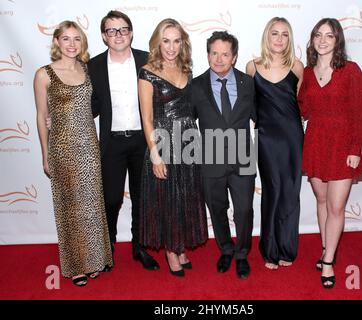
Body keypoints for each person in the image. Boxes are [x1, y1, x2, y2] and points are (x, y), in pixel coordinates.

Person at [34, 20, 113, 287]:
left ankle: (94, 260)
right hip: (62, 148)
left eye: (77, 39)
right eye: (66, 39)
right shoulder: (44, 74)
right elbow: (41, 116)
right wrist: (45, 154)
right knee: (69, 206)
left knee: (91, 205)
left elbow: (97, 105)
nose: (71, 44)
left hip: (90, 145)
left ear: (83, 43)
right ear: (56, 41)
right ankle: (76, 265)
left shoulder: (88, 70)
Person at [88, 10, 159, 270]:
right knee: (111, 199)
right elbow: (91, 105)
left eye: (123, 29)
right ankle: (108, 249)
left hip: (143, 141)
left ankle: (139, 248)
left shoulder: (147, 60)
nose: (118, 35)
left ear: (131, 32)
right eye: (111, 30)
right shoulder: (93, 65)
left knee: (143, 199)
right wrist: (60, 115)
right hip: (112, 143)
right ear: (104, 36)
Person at [298, 18, 362, 289]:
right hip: (315, 142)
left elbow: (359, 114)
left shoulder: (350, 70)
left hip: (342, 146)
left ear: (338, 40)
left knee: (336, 206)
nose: (323, 40)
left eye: (329, 35)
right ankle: (328, 247)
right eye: (318, 35)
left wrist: (355, 149)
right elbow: (302, 109)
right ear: (312, 40)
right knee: (322, 199)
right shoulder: (306, 72)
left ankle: (327, 262)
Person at [138, 18, 208, 277]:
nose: (171, 47)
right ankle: (170, 250)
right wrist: (155, 156)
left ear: (183, 43)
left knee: (185, 196)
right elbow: (146, 117)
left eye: (176, 41)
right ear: (158, 42)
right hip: (163, 143)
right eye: (165, 40)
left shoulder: (186, 68)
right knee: (167, 199)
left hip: (189, 141)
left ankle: (179, 246)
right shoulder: (147, 72)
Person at [191, 31, 257, 279]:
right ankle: (226, 249)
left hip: (243, 159)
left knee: (244, 211)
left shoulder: (248, 83)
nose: (219, 59)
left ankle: (241, 254)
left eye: (225, 54)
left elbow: (262, 117)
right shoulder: (196, 86)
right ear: (208, 55)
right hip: (211, 161)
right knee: (217, 209)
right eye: (214, 53)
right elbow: (186, 123)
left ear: (234, 57)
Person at [246, 17, 304, 270]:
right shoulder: (252, 67)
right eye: (274, 34)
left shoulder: (298, 67)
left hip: (292, 137)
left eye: (284, 35)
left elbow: (298, 103)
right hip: (267, 137)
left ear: (289, 39)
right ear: (266, 37)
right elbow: (249, 105)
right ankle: (270, 250)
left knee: (290, 192)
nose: (279, 39)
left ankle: (287, 248)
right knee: (272, 189)